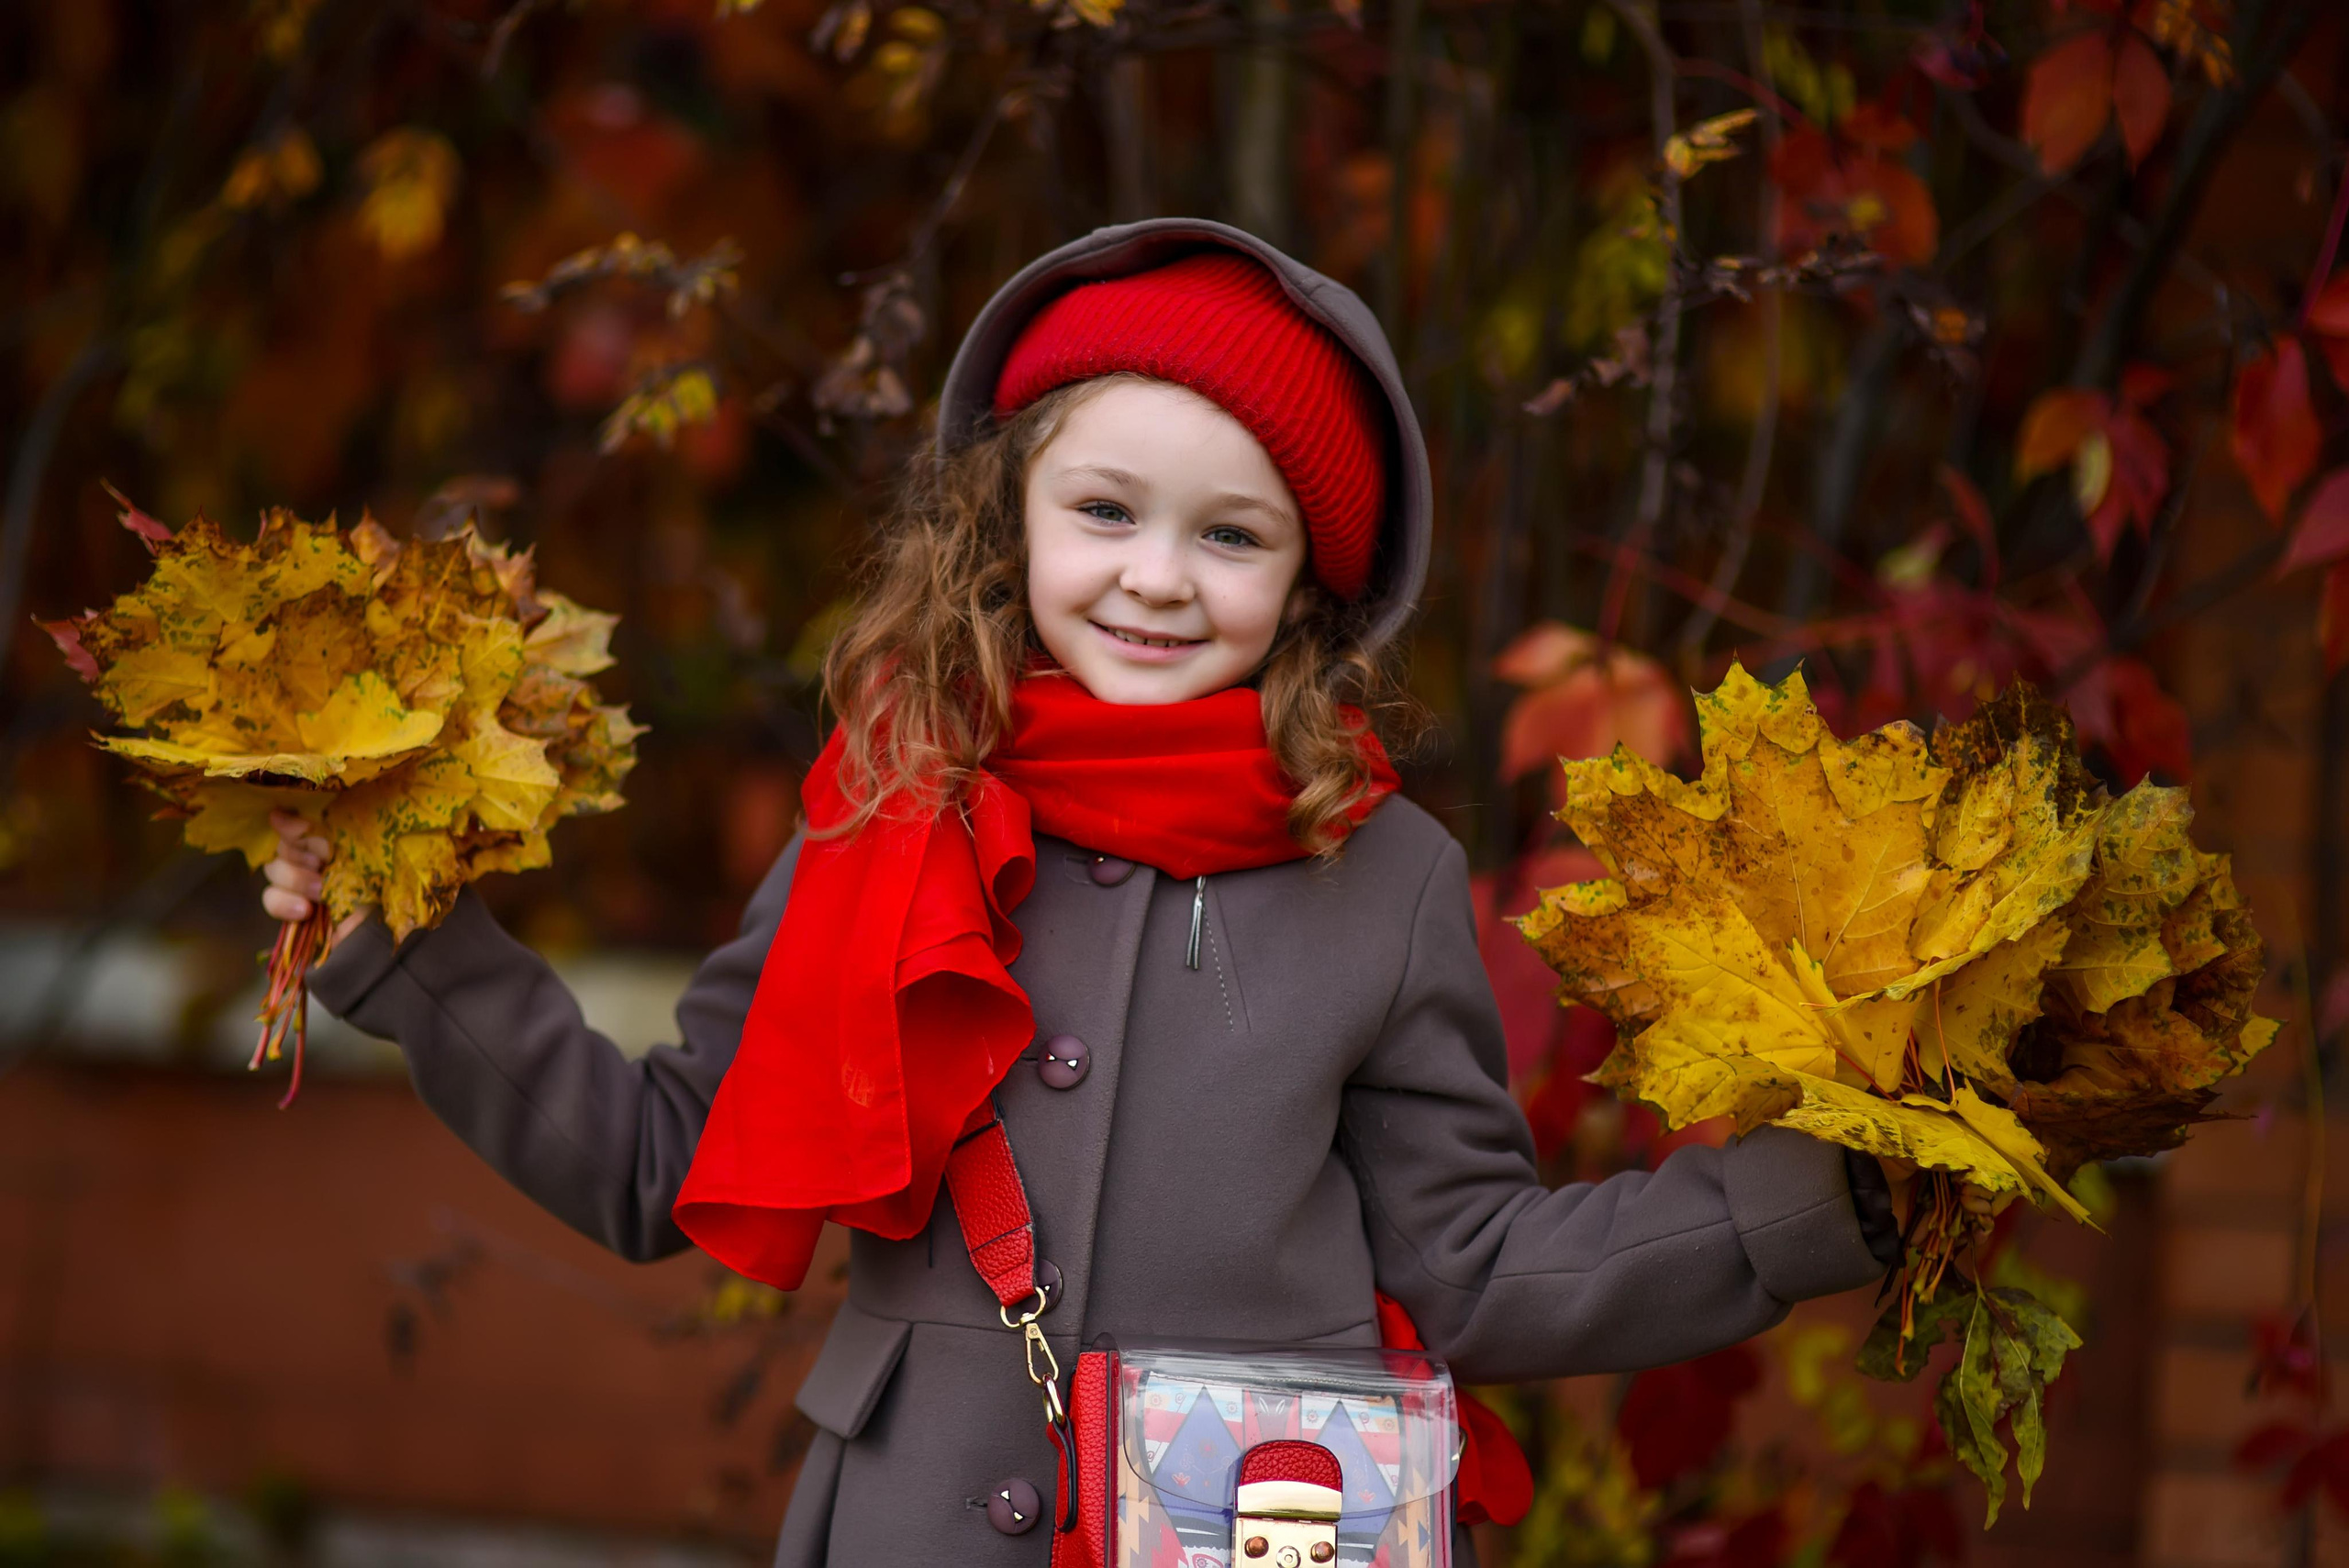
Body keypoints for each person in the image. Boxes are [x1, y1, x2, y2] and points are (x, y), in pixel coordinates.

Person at [261, 218, 1905, 1568]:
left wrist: (1819, 1200)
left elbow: (1471, 1264)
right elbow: (660, 1160)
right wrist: (407, 944)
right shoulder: (885, 801)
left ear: (1310, 582)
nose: (1156, 576)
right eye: (1105, 510)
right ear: (1013, 516)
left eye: (1232, 535)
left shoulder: (1383, 870)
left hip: (1268, 1531)